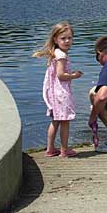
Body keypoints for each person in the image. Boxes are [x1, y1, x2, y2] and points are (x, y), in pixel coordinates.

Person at [33, 22, 83, 158]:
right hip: (61, 93)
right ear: (55, 39)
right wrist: (74, 75)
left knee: (55, 120)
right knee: (65, 121)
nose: (67, 41)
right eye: (63, 38)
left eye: (70, 38)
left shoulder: (55, 52)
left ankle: (50, 149)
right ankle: (64, 150)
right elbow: (61, 75)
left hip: (54, 92)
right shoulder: (61, 56)